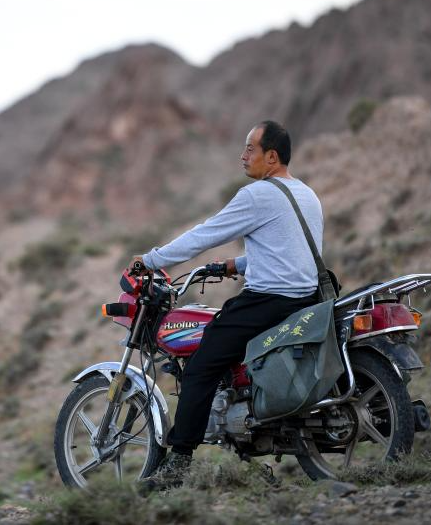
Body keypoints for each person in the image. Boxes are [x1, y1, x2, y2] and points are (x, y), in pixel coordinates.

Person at [131, 120, 324, 489]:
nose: (243, 156)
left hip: (269, 300)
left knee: (200, 366)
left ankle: (178, 463)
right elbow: (294, 253)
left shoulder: (258, 195)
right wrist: (239, 264)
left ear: (271, 157)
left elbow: (205, 235)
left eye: (250, 148)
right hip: (306, 298)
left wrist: (152, 260)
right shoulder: (307, 195)